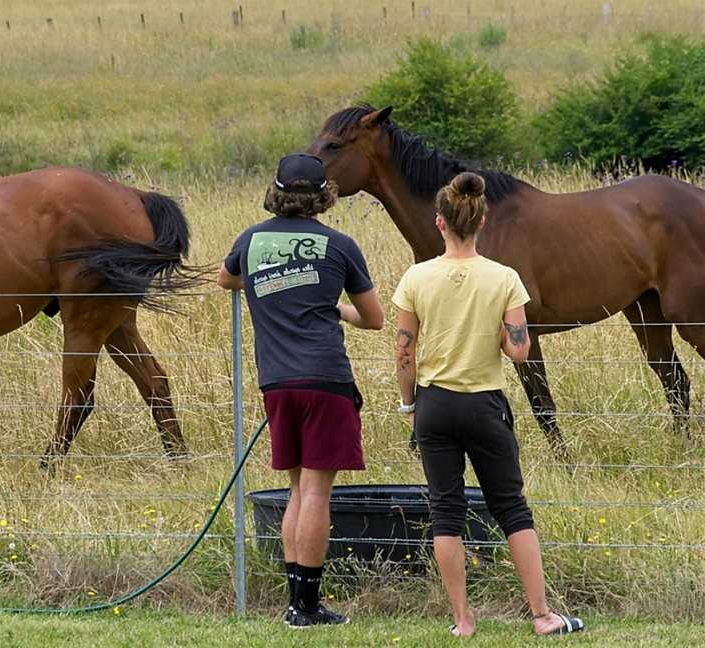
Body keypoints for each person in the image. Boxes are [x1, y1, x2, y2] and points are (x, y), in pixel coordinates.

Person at [392, 172, 585, 638]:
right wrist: (496, 328)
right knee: (512, 509)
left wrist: (408, 405)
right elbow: (519, 350)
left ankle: (462, 619)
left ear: (440, 223)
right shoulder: (504, 278)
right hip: (484, 404)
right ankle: (542, 615)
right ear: (482, 220)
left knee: (446, 511)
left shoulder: (417, 277)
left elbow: (403, 352)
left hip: (434, 406)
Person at [218, 154, 384, 628]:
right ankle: (307, 608)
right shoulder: (339, 245)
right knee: (315, 492)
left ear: (275, 192)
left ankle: (297, 604)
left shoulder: (250, 240)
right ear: (323, 195)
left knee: (296, 489)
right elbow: (373, 318)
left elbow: (226, 278)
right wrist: (335, 310)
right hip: (325, 379)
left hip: (276, 381)